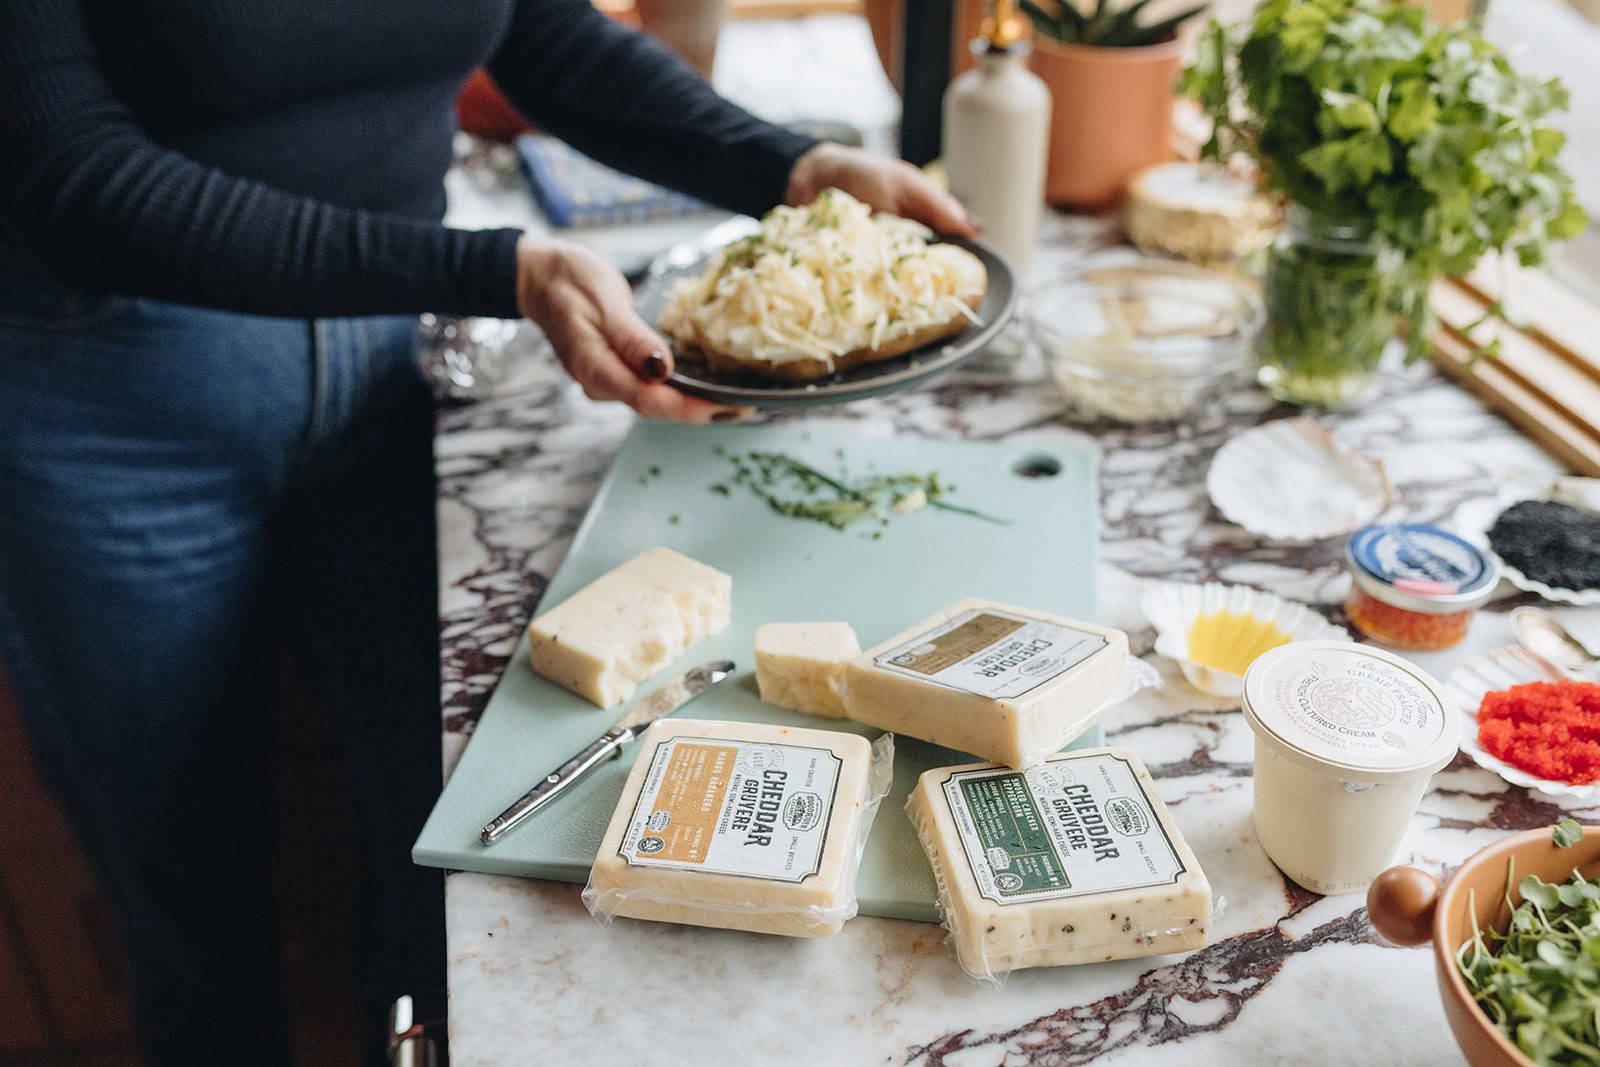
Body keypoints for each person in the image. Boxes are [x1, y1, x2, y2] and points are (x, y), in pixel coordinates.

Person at [0, 1, 974, 1064]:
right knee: (181, 873)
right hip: (112, 395)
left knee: (443, 833)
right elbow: (72, 180)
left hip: (391, 354)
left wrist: (791, 168)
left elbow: (534, 29)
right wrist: (494, 271)